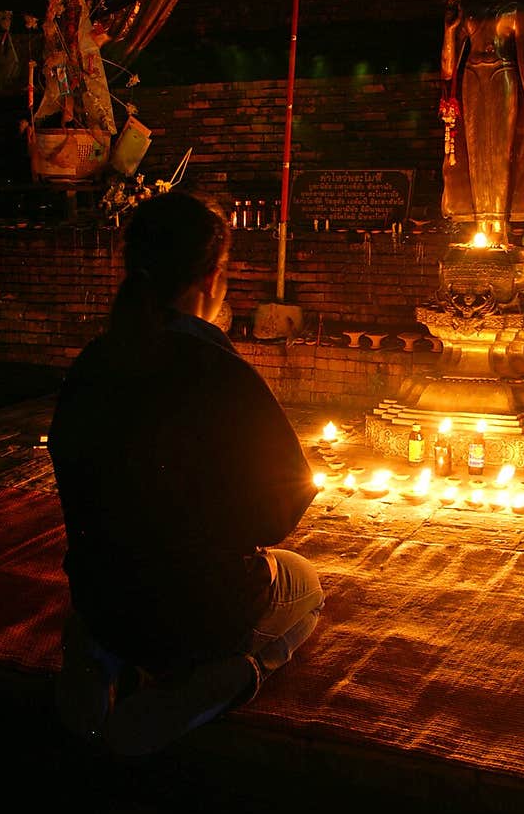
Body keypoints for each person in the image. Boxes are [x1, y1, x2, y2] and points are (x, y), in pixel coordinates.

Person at [48, 190, 323, 755]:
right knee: (306, 584)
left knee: (121, 593)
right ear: (212, 278)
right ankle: (230, 677)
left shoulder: (95, 363)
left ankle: (94, 656)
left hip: (102, 592)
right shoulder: (218, 370)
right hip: (197, 608)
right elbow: (279, 508)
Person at [439, 0, 524, 240]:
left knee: (502, 153)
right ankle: (479, 227)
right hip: (472, 80)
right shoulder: (467, 14)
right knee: (474, 152)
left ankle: (499, 229)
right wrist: (449, 30)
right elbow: (448, 69)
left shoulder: (520, 13)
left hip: (504, 78)